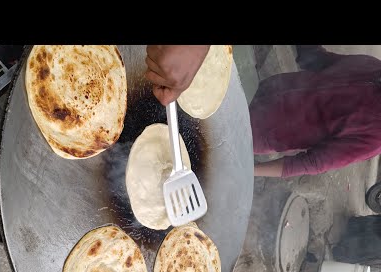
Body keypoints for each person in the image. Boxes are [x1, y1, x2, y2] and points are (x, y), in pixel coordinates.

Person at [145, 45, 381, 178]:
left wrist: (247, 171)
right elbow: (320, 60)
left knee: (192, 139)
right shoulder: (374, 70)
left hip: (258, 131)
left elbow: (311, 163)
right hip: (261, 89)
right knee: (176, 106)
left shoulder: (374, 137)